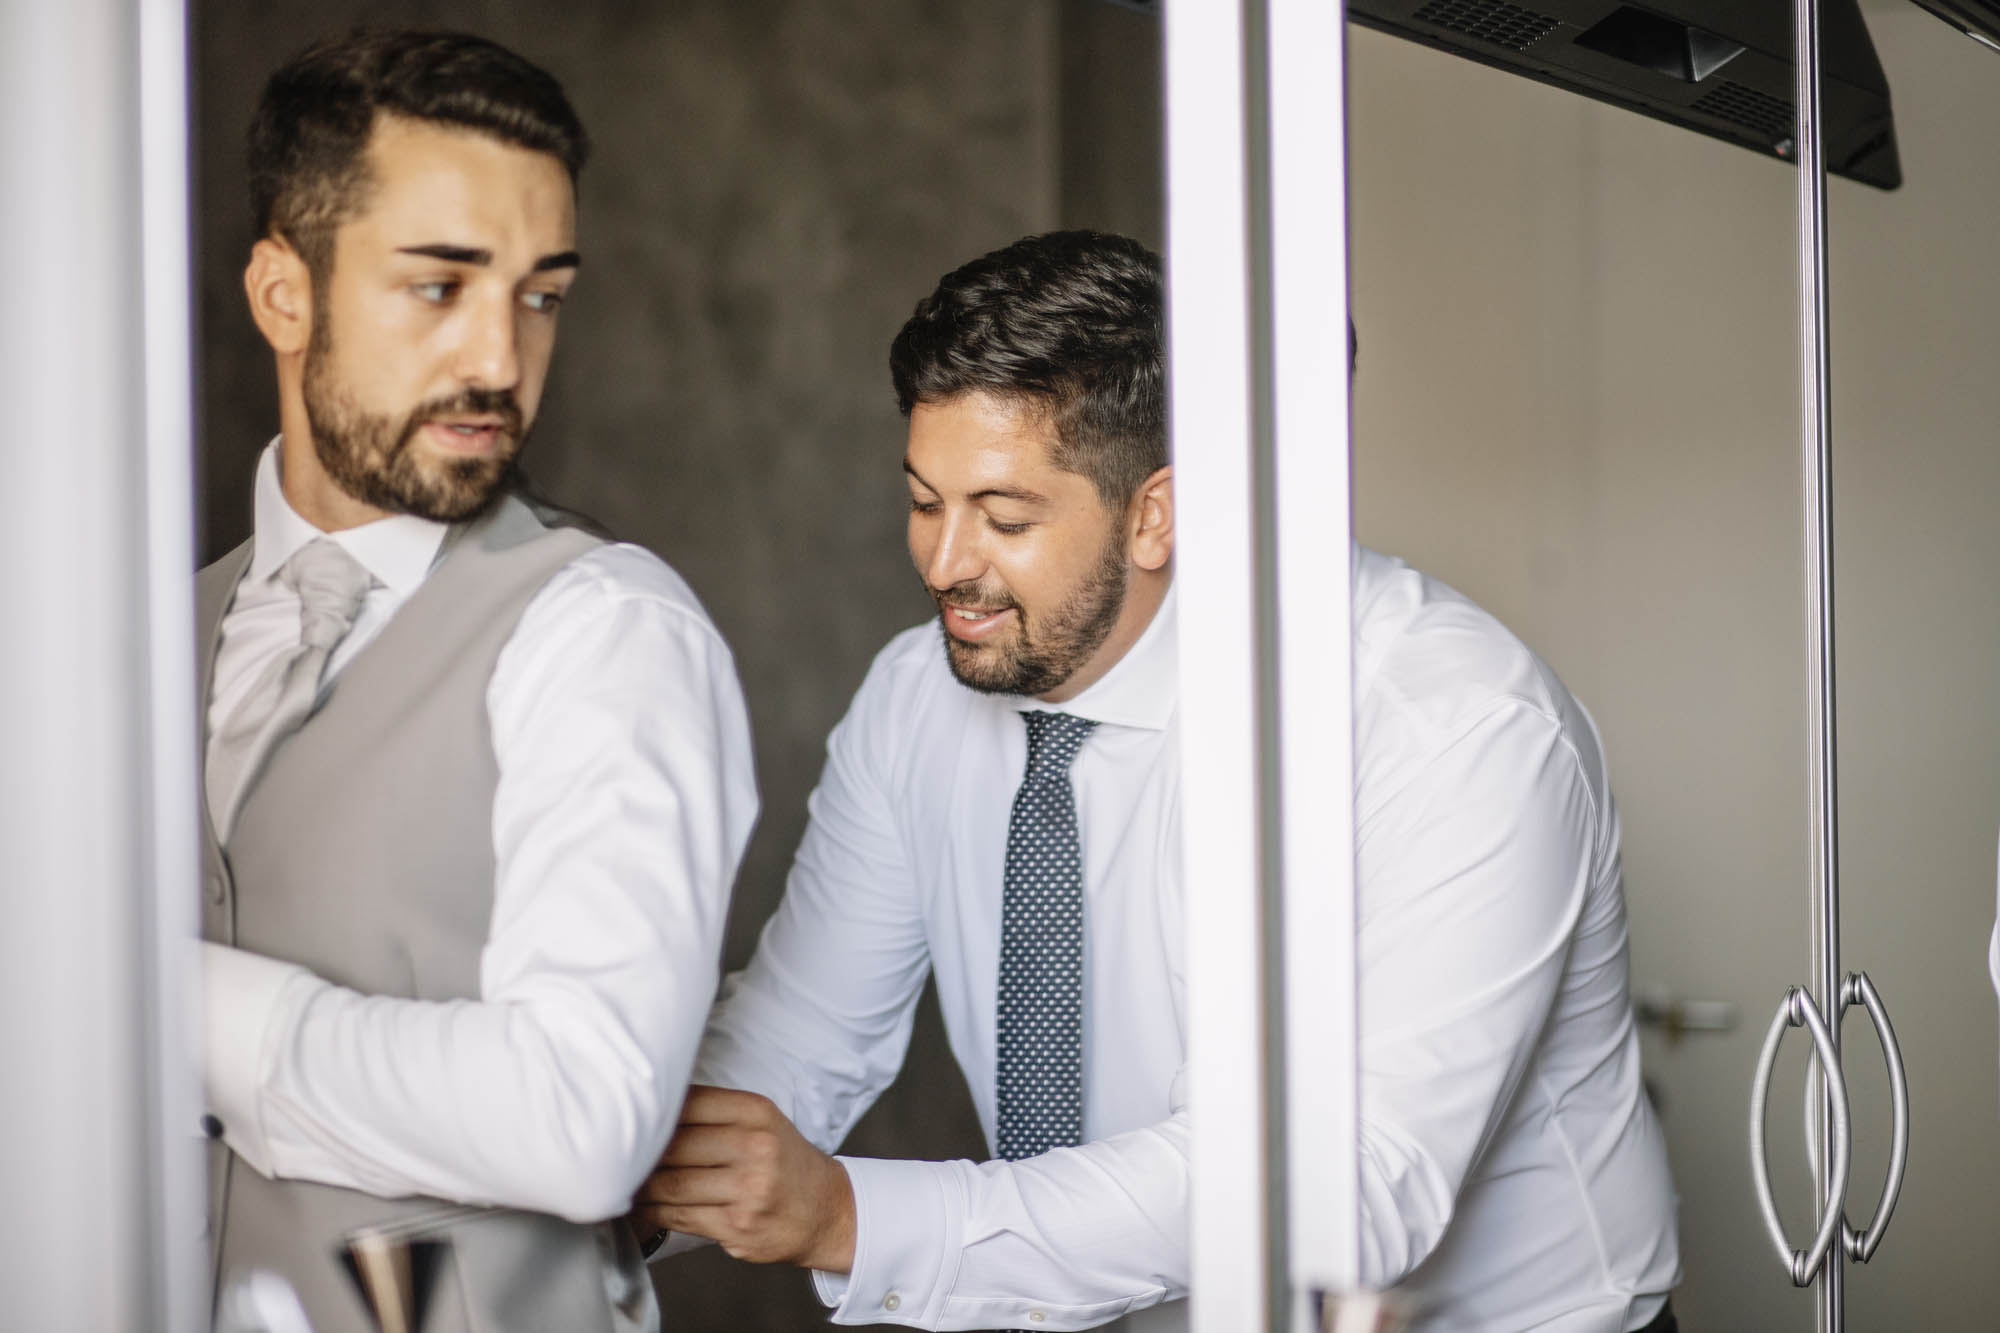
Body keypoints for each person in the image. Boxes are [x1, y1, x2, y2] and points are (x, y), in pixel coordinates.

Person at [632, 230, 1680, 1331]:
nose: (943, 564)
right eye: (922, 501)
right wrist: (605, 1178)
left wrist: (852, 1217)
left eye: (1003, 517)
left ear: (1155, 512)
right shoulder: (914, 700)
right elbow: (804, 1028)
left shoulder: (1449, 728)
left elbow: (1350, 1191)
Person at [195, 30, 756, 1333]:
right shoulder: (140, 648)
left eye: (541, 293)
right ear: (285, 293)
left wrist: (160, 1004)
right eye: (440, 288)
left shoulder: (604, 630)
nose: (501, 361)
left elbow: (580, 1117)